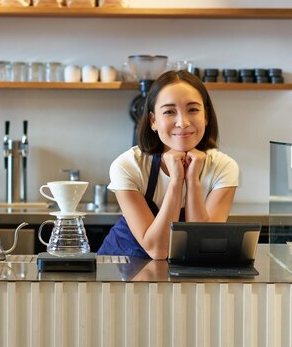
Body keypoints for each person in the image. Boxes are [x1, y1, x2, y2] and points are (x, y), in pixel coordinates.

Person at [97, 70, 239, 259]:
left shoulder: (224, 167)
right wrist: (176, 180)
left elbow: (203, 247)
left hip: (182, 277)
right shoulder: (128, 166)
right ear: (153, 121)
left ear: (206, 116)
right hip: (120, 272)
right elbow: (158, 250)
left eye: (193, 109)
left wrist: (192, 181)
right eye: (169, 112)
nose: (183, 122)